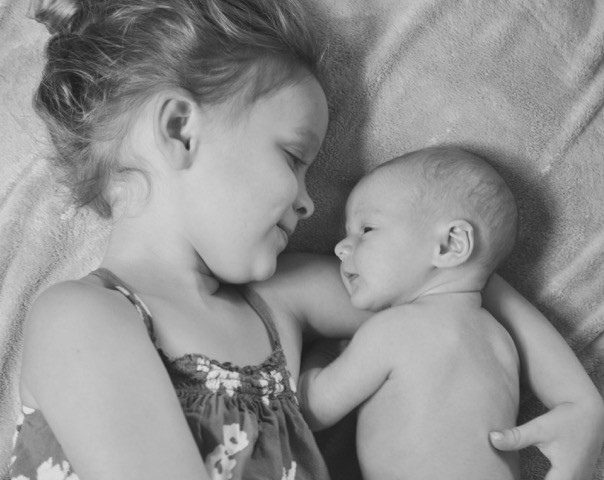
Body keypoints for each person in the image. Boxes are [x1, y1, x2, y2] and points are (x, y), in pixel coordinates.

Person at [9, 0, 604, 479]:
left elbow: (450, 282)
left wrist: (578, 401)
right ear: (181, 129)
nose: (309, 201)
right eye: (293, 157)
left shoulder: (278, 302)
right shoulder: (83, 317)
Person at [299, 147, 522, 479]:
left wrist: (324, 351)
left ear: (450, 245)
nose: (341, 247)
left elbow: (312, 409)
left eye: (367, 229)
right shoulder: (501, 340)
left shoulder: (394, 328)